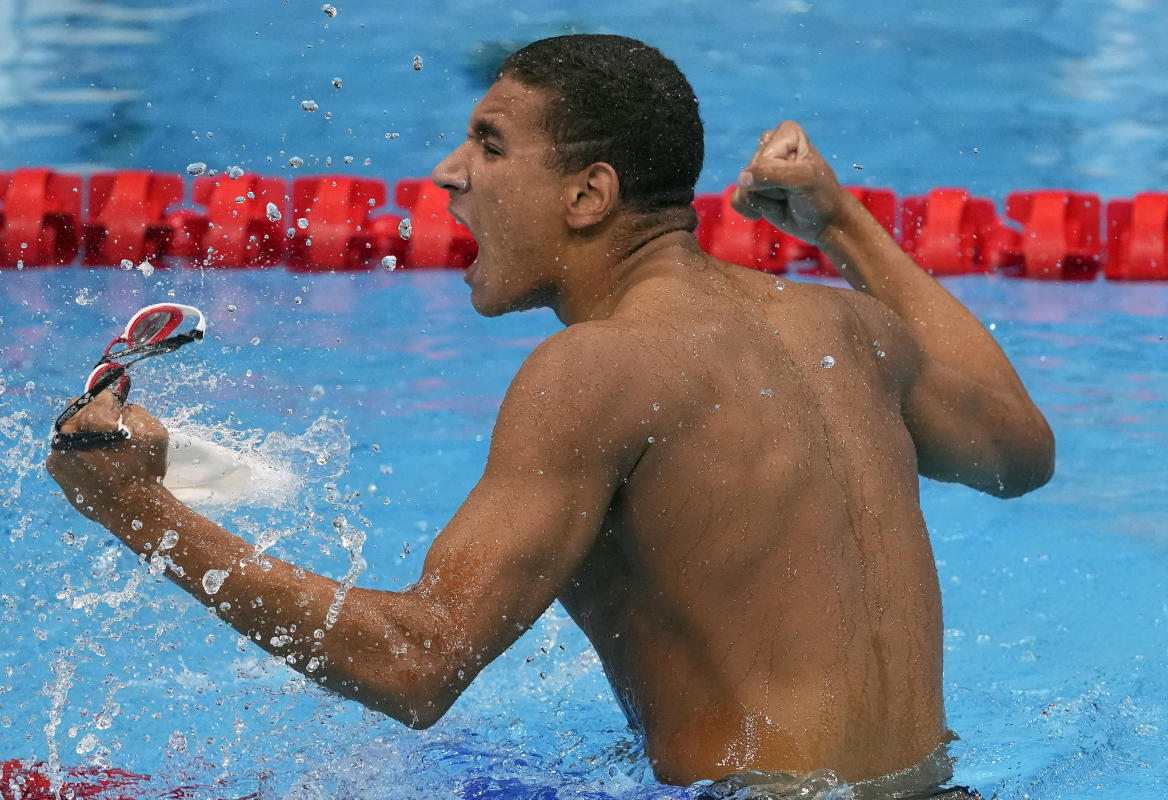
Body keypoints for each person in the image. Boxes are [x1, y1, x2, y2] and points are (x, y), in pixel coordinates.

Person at [47, 34, 1053, 797]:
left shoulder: (593, 370)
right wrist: (840, 221)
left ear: (589, 194)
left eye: (489, 144)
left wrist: (135, 510)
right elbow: (1018, 449)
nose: (450, 172)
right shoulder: (847, 325)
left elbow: (416, 663)